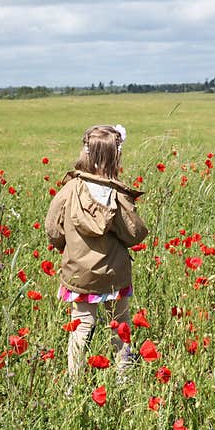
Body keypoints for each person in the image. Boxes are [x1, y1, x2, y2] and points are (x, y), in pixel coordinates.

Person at [45, 123, 149, 382]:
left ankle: (73, 383)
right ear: (116, 156)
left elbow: (52, 229)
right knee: (120, 321)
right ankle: (123, 375)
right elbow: (135, 234)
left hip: (79, 274)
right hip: (114, 273)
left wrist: (67, 248)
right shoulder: (118, 195)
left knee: (80, 326)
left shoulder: (69, 190)